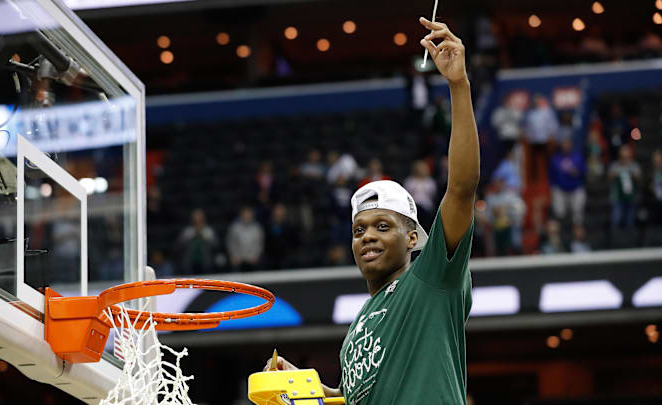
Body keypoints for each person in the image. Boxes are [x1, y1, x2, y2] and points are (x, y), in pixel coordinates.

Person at [265, 17, 478, 405]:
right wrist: (308, 386)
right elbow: (352, 399)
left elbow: (462, 189)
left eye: (382, 225)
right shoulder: (355, 332)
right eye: (359, 230)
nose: (367, 236)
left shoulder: (431, 279)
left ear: (413, 237)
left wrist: (458, 86)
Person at [549, 138, 586, 226]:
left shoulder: (578, 157)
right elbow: (551, 176)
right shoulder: (555, 159)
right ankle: (562, 230)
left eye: (567, 144)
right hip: (560, 189)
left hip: (575, 188)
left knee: (577, 212)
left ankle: (577, 231)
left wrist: (576, 172)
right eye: (564, 144)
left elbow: (584, 172)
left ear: (571, 145)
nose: (566, 146)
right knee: (559, 212)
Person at [176, 208, 217, 274]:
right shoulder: (188, 231)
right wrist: (192, 237)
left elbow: (215, 244)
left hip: (205, 262)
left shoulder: (208, 231)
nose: (198, 221)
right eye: (196, 218)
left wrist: (203, 238)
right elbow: (180, 244)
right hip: (189, 262)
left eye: (200, 218)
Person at [226, 206, 264, 272]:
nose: (247, 216)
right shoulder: (234, 227)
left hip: (253, 260)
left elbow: (259, 243)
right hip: (238, 260)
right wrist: (234, 256)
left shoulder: (257, 228)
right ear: (241, 215)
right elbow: (231, 243)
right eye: (245, 214)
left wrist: (256, 256)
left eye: (249, 214)